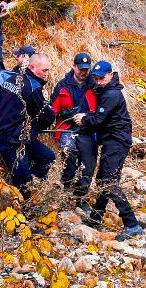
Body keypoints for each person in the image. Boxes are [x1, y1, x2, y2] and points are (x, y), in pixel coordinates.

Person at [72, 61, 143, 241]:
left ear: (111, 75)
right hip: (112, 140)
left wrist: (84, 119)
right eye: (95, 78)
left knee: (109, 181)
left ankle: (131, 223)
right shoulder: (105, 89)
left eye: (102, 78)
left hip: (117, 141)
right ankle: (96, 217)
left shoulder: (112, 94)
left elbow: (99, 119)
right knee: (103, 178)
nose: (98, 82)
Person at [0, 53, 56, 200]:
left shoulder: (8, 76)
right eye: (44, 70)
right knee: (23, 182)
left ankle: (29, 179)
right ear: (32, 68)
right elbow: (46, 117)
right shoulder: (33, 88)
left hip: (22, 135)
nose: (46, 74)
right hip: (11, 141)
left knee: (48, 157)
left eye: (48, 70)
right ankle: (23, 208)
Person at [50, 53, 96, 209]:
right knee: (69, 151)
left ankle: (81, 197)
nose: (84, 73)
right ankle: (67, 186)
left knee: (88, 165)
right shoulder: (62, 85)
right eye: (81, 69)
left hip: (87, 129)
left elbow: (101, 110)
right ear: (74, 66)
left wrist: (86, 117)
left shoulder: (95, 85)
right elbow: (52, 111)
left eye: (86, 70)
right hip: (66, 128)